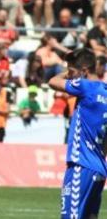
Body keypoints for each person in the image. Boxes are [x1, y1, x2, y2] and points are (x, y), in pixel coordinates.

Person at [49, 49, 107, 218]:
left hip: (80, 165)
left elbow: (53, 81)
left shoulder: (85, 86)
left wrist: (69, 72)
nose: (70, 75)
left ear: (84, 71)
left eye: (73, 71)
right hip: (98, 168)